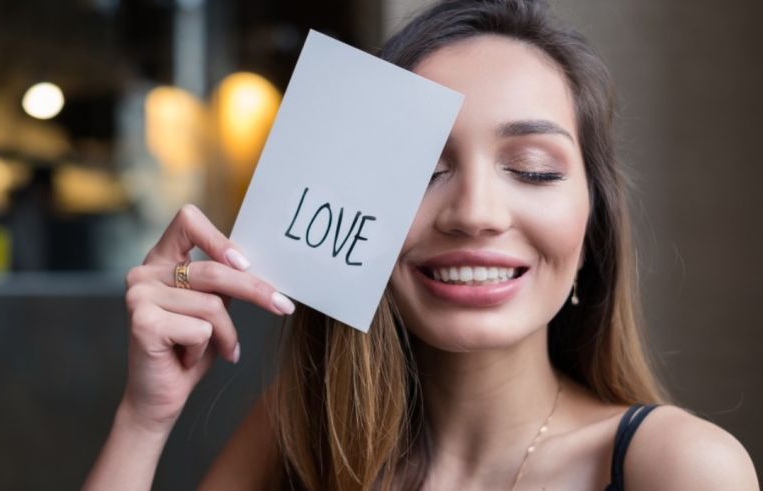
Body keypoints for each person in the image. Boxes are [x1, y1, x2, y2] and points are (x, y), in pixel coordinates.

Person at [83, 1, 759, 489]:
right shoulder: (304, 429)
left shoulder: (678, 467)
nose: (474, 214)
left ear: (591, 230)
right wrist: (144, 419)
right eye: (422, 170)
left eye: (532, 169)